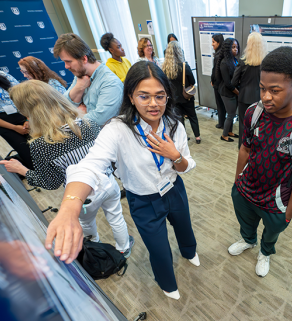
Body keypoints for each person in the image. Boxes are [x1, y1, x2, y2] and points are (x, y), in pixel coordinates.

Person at [45, 61, 199, 301]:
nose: (153, 104)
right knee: (158, 248)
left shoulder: (174, 124)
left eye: (160, 96)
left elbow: (188, 165)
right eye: (144, 96)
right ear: (131, 96)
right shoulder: (117, 130)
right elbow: (90, 165)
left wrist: (175, 156)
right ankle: (166, 282)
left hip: (174, 189)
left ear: (168, 96)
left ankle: (190, 252)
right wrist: (69, 207)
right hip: (143, 199)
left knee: (184, 227)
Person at [0, 80, 134, 257]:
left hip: (82, 197)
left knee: (87, 224)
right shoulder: (89, 124)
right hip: (108, 183)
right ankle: (124, 249)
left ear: (28, 111)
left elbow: (51, 183)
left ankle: (96, 251)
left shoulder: (41, 145)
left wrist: (21, 170)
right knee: (116, 217)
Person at [228, 47, 292, 277]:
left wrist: (288, 214)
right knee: (245, 222)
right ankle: (248, 240)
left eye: (274, 90)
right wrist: (237, 182)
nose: (266, 97)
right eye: (262, 88)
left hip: (276, 201)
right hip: (247, 189)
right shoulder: (254, 113)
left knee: (272, 232)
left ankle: (265, 251)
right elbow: (245, 148)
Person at [53, 33, 123, 127]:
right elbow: (63, 107)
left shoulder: (110, 83)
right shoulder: (80, 75)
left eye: (68, 61)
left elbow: (98, 120)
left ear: (84, 59)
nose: (66, 66)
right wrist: (79, 87)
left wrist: (78, 114)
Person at [162, 41, 201, 143]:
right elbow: (193, 81)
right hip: (186, 97)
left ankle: (184, 137)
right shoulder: (184, 66)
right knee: (192, 116)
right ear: (179, 51)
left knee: (179, 119)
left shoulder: (165, 68)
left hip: (174, 98)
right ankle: (197, 137)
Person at [232, 32, 265, 149]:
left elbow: (233, 82)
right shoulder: (264, 63)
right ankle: (255, 146)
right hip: (259, 98)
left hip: (244, 97)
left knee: (243, 123)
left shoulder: (242, 61)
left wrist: (243, 83)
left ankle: (242, 147)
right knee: (257, 124)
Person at [215, 38, 241, 142]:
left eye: (237, 47)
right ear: (227, 49)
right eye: (233, 47)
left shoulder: (235, 60)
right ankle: (224, 135)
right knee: (230, 114)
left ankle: (230, 132)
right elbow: (228, 83)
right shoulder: (224, 63)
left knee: (233, 114)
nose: (236, 49)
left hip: (233, 91)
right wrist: (239, 93)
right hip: (227, 92)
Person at [211, 34, 227, 130]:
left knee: (220, 104)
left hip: (218, 84)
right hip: (222, 83)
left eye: (213, 42)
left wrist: (213, 81)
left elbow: (215, 71)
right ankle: (223, 122)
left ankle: (221, 123)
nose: (212, 44)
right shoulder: (223, 53)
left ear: (219, 42)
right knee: (222, 105)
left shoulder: (218, 55)